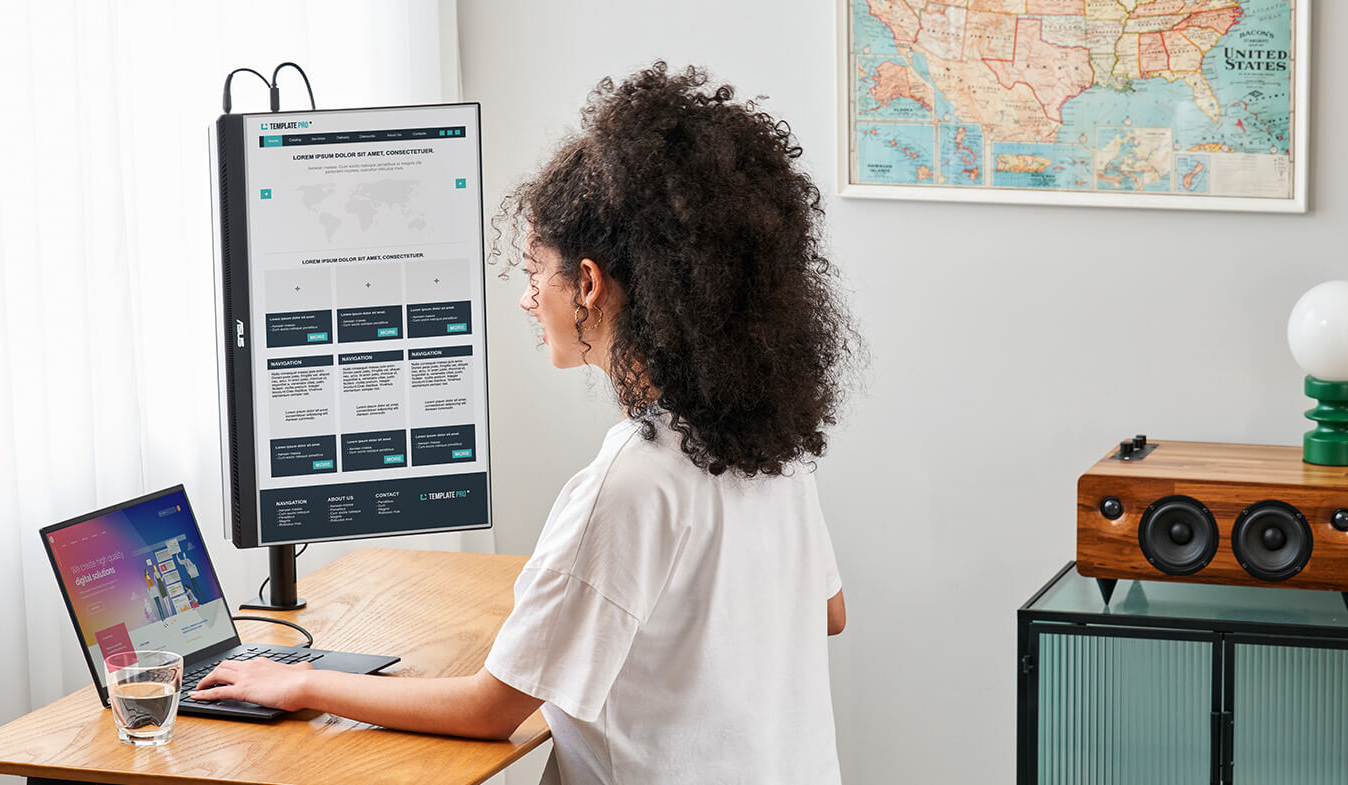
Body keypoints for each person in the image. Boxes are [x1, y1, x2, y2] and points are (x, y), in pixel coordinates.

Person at [194, 61, 857, 785]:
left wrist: (297, 682)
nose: (526, 298)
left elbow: (491, 709)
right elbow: (828, 610)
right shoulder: (770, 443)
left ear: (590, 283)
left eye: (534, 271)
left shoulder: (631, 482)